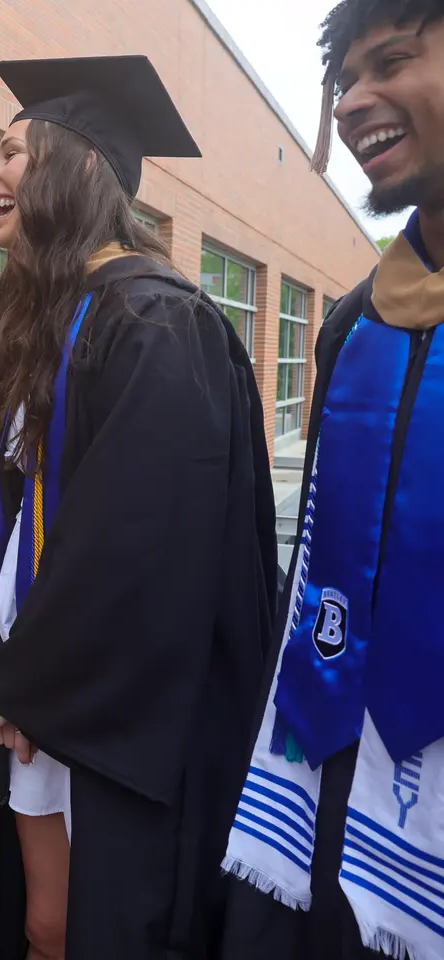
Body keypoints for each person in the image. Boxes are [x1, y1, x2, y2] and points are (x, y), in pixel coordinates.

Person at [0, 56, 277, 960]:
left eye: (11, 154)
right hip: (50, 697)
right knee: (43, 925)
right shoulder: (65, 318)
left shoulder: (158, 326)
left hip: (119, 720)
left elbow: (138, 553)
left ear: (81, 166)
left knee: (91, 928)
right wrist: (8, 667)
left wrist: (14, 685)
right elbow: (11, 525)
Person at [218, 4, 444, 958]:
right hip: (334, 791)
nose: (353, 102)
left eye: (390, 62)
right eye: (343, 80)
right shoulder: (358, 325)